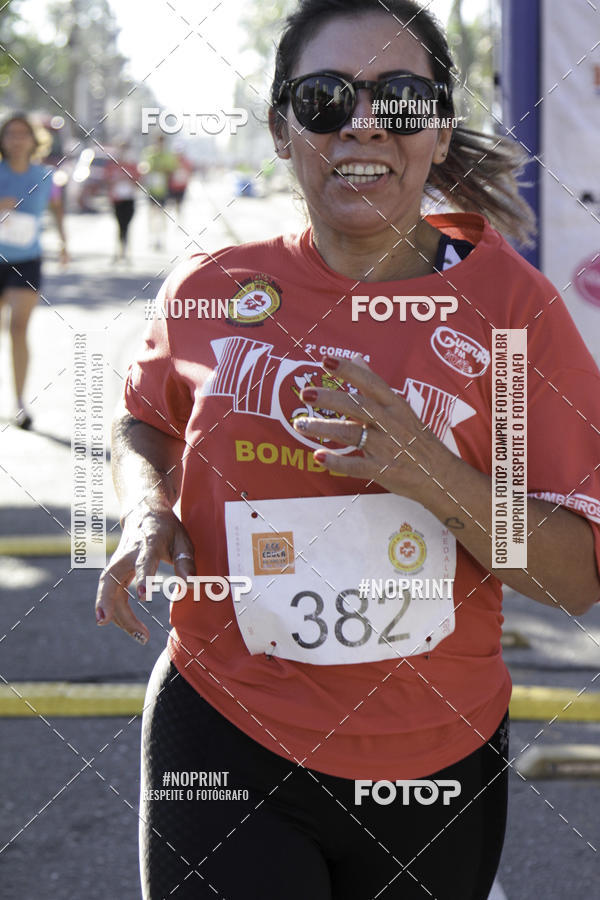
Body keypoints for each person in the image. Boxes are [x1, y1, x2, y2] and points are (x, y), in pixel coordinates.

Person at [96, 2, 600, 898]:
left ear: (439, 132)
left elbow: (571, 579)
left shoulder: (513, 316)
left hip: (432, 756)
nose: (364, 123)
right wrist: (148, 506)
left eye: (402, 99)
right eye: (325, 98)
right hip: (224, 725)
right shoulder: (215, 289)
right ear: (284, 133)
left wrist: (430, 473)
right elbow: (146, 422)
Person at [0, 113, 68, 429]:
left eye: (22, 134)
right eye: (10, 134)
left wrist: (65, 243)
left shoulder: (45, 176)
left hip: (27, 260)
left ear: (33, 139)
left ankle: (19, 403)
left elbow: (56, 209)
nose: (16, 139)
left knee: (18, 329)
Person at [105, 141, 140, 263]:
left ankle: (126, 252)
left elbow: (138, 182)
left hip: (129, 199)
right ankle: (118, 252)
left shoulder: (132, 166)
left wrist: (128, 180)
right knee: (119, 226)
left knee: (127, 226)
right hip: (117, 199)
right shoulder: (113, 165)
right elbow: (107, 181)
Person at [142, 133, 178, 250]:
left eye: (161, 141)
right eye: (158, 141)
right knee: (151, 215)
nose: (160, 143)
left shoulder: (168, 155)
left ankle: (161, 239)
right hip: (152, 190)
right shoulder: (149, 153)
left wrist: (164, 170)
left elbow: (172, 169)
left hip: (163, 190)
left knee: (162, 216)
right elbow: (144, 168)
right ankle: (152, 238)